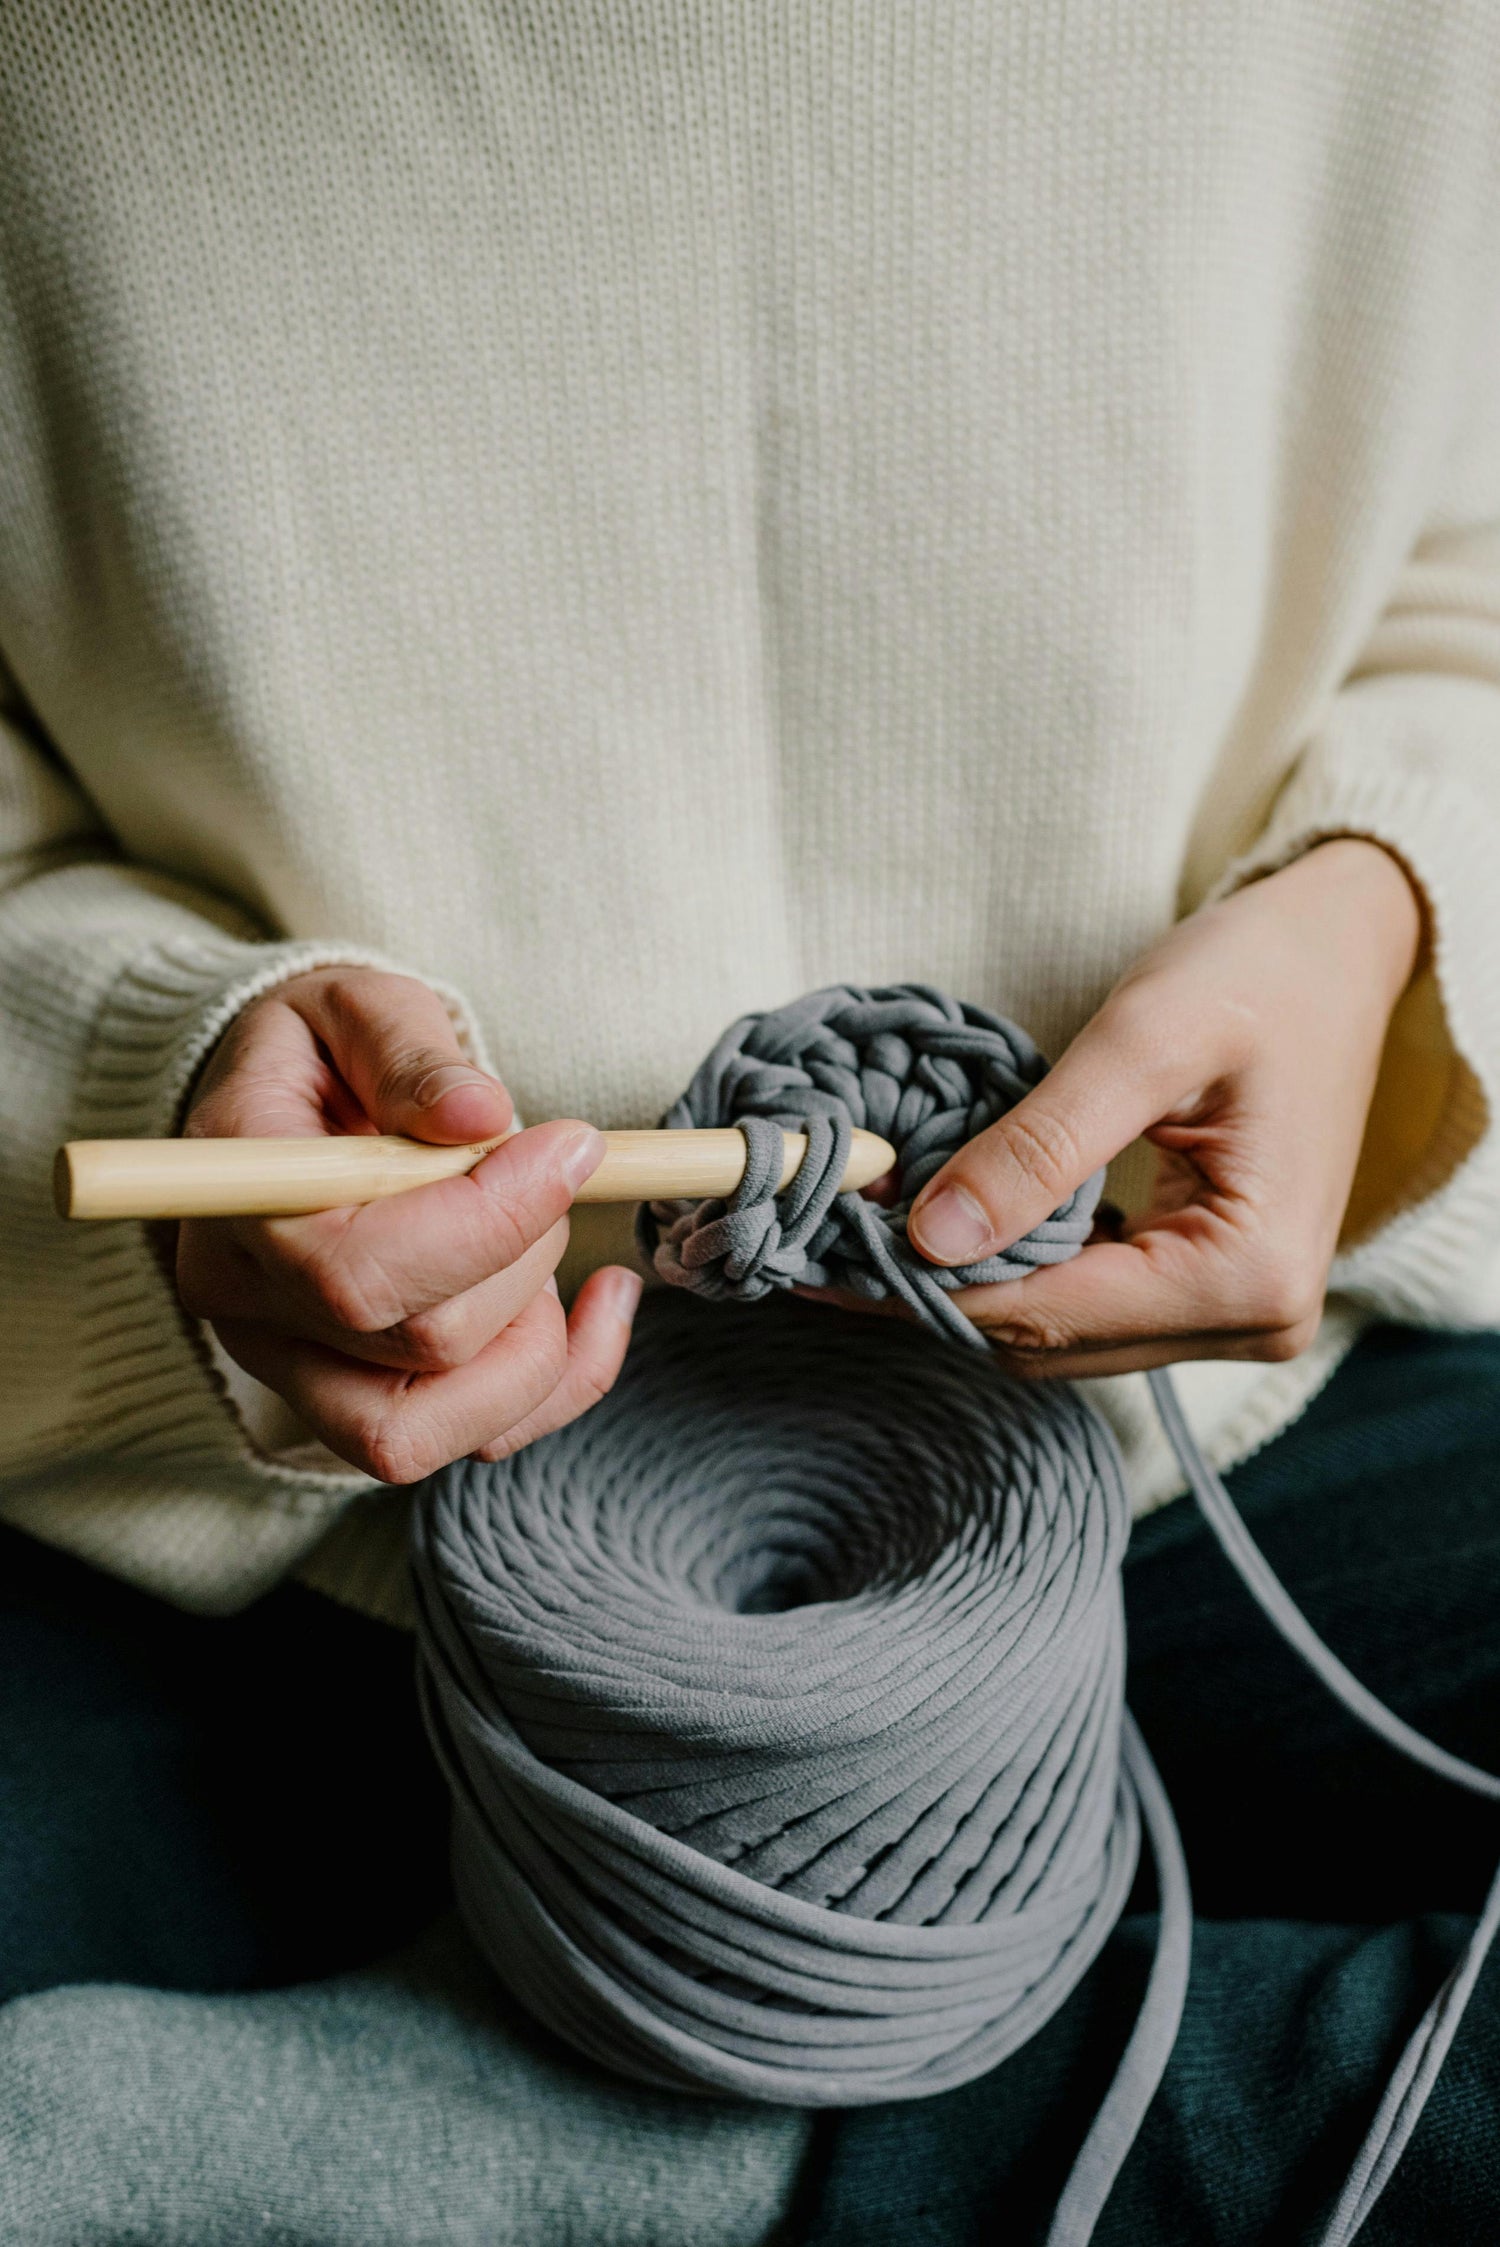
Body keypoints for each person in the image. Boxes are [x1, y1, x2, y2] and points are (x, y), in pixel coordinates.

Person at [1, 2, 1498, 2240]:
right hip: (282, 1524)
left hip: (1258, 1406)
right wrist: (141, 1059)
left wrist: (1389, 909)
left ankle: (659, 2163)